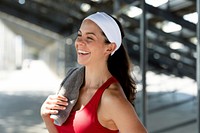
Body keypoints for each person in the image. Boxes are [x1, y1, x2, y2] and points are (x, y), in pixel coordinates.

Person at [40, 12, 148, 133]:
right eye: (79, 35)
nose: (80, 42)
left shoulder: (111, 99)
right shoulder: (72, 87)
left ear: (110, 48)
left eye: (89, 38)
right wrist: (46, 118)